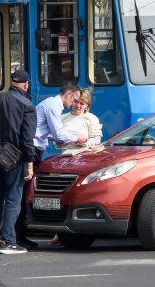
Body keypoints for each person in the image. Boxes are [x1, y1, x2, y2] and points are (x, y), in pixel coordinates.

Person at [17, 81, 87, 249]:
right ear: (69, 94)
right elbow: (58, 133)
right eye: (75, 100)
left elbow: (49, 134)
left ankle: (18, 235)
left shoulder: (50, 104)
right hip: (31, 150)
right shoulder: (53, 105)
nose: (74, 104)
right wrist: (78, 139)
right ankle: (16, 236)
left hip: (34, 150)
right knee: (22, 194)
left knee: (24, 192)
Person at [0, 70, 37, 255]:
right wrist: (30, 162)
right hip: (15, 157)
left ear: (11, 82)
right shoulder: (27, 105)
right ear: (26, 84)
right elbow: (27, 139)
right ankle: (7, 241)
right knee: (13, 198)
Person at [49, 89, 103, 246]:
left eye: (82, 103)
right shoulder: (63, 118)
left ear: (87, 105)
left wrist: (83, 142)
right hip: (65, 158)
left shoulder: (90, 119)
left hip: (83, 158)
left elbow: (97, 139)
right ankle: (58, 231)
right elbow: (56, 138)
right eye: (77, 102)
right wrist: (58, 143)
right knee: (60, 193)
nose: (78, 106)